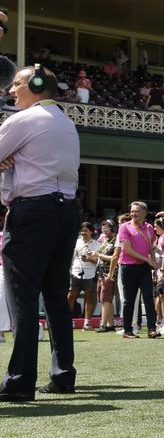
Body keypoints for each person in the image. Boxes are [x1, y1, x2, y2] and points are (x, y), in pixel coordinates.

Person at [0, 66, 81, 400]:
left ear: (34, 85)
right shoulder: (67, 122)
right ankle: (63, 375)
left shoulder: (23, 120)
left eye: (16, 85)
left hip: (33, 210)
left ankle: (20, 380)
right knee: (55, 295)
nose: (10, 91)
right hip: (66, 211)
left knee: (22, 294)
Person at [118, 201, 159, 339]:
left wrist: (153, 262)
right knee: (129, 300)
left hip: (144, 268)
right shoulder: (124, 227)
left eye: (136, 211)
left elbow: (151, 247)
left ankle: (152, 329)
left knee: (148, 297)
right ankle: (127, 330)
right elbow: (128, 250)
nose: (133, 213)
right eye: (132, 211)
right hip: (128, 267)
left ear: (144, 213)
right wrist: (147, 259)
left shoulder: (149, 228)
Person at [67, 221, 101, 330]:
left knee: (89, 297)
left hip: (90, 273)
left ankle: (87, 323)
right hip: (75, 272)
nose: (83, 232)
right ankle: (67, 321)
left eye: (86, 230)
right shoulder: (76, 242)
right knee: (71, 296)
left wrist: (90, 258)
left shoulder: (97, 244)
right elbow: (71, 258)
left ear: (91, 232)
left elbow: (99, 261)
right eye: (82, 230)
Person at [93, 219, 119, 332]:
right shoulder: (106, 240)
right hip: (101, 272)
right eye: (103, 226)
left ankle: (103, 325)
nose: (104, 228)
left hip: (109, 272)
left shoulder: (116, 241)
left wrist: (98, 255)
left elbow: (115, 257)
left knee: (105, 299)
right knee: (106, 299)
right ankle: (110, 324)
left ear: (112, 228)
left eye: (107, 226)